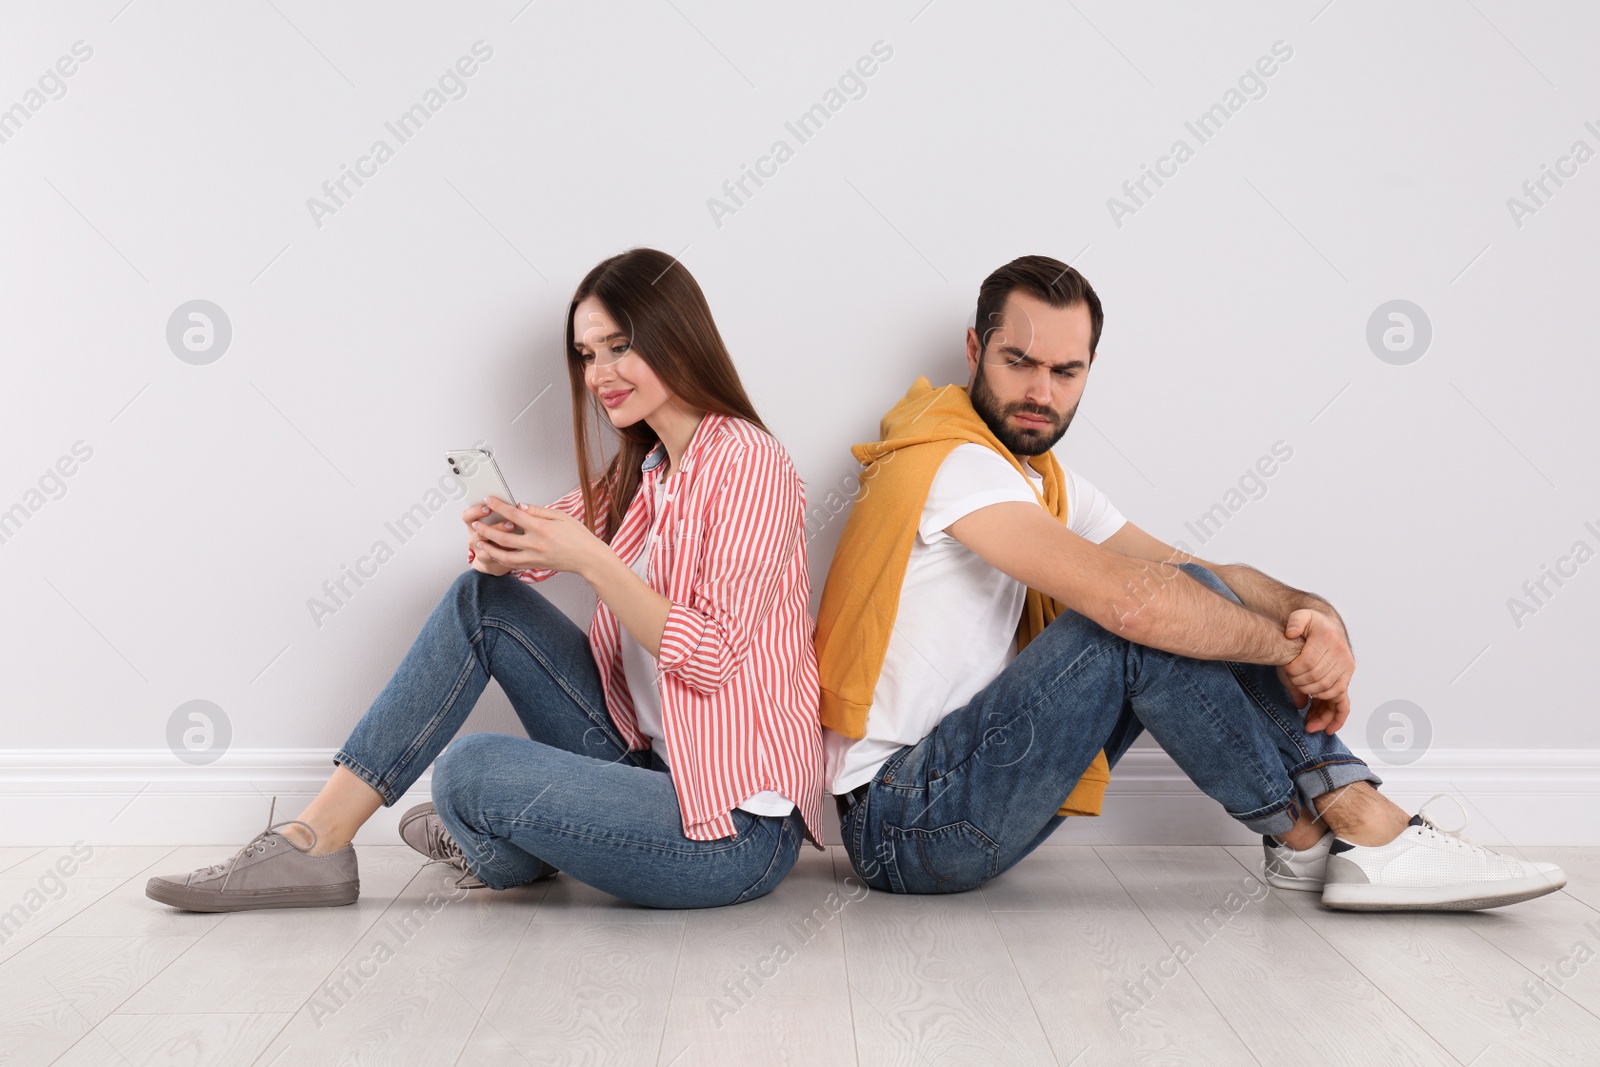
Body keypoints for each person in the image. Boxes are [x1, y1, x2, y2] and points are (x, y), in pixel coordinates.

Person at [816, 253, 1566, 910]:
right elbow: (1134, 604)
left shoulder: (1039, 478)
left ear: (1088, 372)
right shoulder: (952, 462)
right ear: (977, 350)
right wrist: (1286, 651)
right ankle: (1353, 823)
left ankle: (1317, 838)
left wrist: (1313, 617)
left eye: (1064, 370)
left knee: (1183, 589)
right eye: (1019, 361)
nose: (1040, 390)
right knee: (1136, 621)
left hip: (955, 795)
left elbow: (1198, 572)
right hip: (901, 823)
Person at [147, 247, 824, 912]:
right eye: (587, 354)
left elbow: (710, 658)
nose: (598, 372)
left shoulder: (749, 464)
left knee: (468, 771)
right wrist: (500, 542)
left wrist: (591, 558)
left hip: (729, 824)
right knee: (483, 600)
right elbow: (537, 548)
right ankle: (315, 839)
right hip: (642, 765)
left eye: (618, 347)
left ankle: (504, 840)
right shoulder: (645, 471)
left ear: (678, 340)